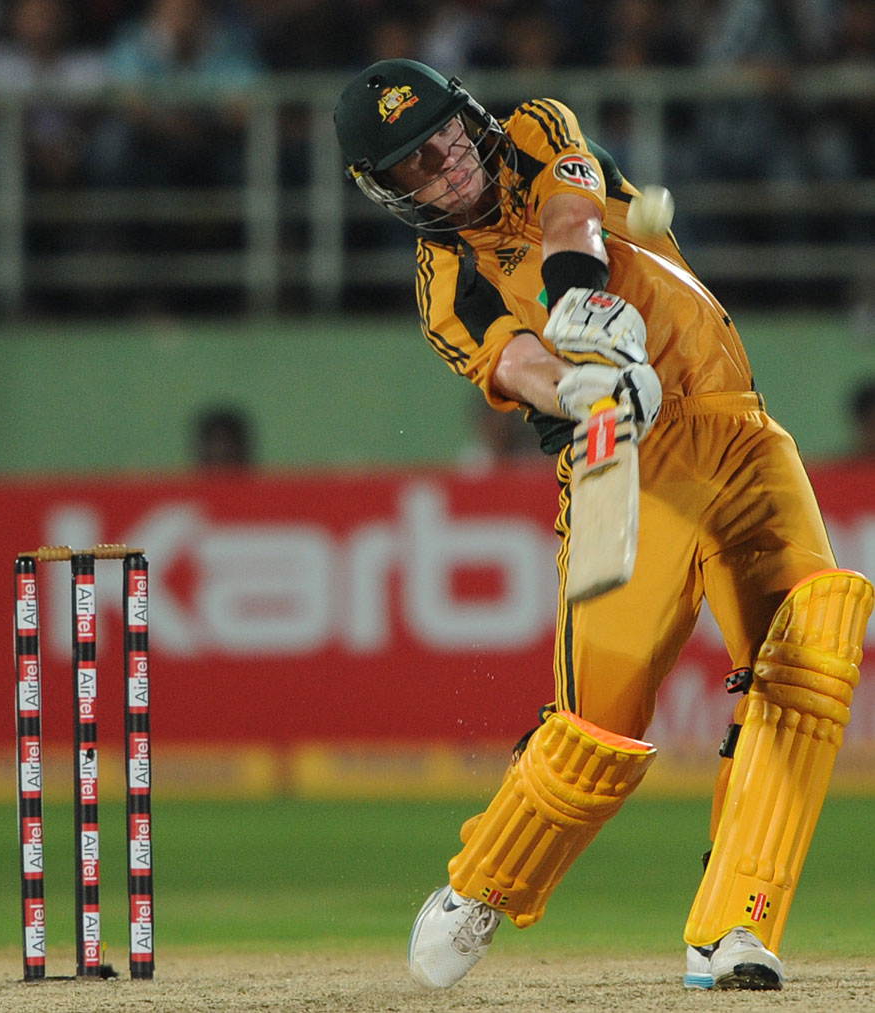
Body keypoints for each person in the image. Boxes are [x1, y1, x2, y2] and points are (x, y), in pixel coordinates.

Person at [333, 59, 873, 993]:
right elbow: (519, 368)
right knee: (597, 734)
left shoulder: (538, 128)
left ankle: (735, 925)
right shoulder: (445, 286)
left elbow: (571, 221)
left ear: (470, 114)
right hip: (622, 461)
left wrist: (580, 299)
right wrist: (584, 386)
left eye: (446, 134)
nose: (446, 160)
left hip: (739, 428)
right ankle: (482, 882)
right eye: (415, 162)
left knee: (812, 650)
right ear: (389, 190)